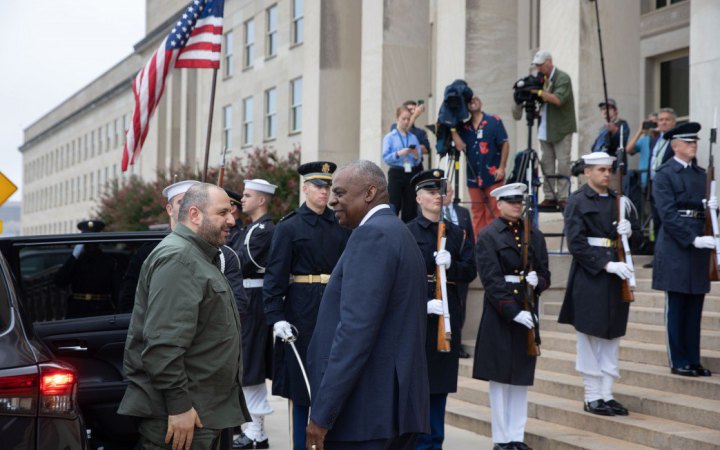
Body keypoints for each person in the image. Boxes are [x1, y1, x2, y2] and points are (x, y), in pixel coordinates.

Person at [306, 160, 430, 450]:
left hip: (365, 415)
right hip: (390, 411)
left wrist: (323, 414)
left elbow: (355, 332)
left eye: (339, 192)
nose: (332, 200)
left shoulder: (371, 235)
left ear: (369, 193)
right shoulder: (398, 232)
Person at [118, 183, 250, 450]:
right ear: (194, 214)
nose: (232, 220)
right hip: (184, 416)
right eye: (223, 212)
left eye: (232, 212)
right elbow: (162, 345)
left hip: (201, 411)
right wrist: (179, 406)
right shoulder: (180, 259)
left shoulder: (199, 256)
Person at [262, 161, 350, 450]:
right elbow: (274, 278)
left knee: (333, 380)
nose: (325, 193)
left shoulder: (339, 224)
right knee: (301, 389)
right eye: (319, 187)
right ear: (306, 188)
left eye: (329, 187)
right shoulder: (289, 227)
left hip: (334, 305)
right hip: (301, 310)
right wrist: (275, 317)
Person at [559, 152, 641, 417]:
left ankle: (607, 394)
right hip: (591, 275)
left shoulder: (620, 201)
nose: (607, 174)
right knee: (589, 337)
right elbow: (577, 244)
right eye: (601, 170)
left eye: (609, 170)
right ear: (587, 172)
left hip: (616, 276)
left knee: (612, 335)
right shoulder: (577, 201)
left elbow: (633, 241)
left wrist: (629, 232)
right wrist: (606, 265)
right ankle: (592, 396)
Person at [474, 183, 551, 450]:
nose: (517, 205)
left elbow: (545, 274)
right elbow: (492, 281)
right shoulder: (488, 236)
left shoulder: (535, 235)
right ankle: (502, 438)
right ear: (499, 204)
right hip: (501, 312)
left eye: (520, 201)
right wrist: (513, 312)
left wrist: (537, 281)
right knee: (500, 380)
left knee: (520, 378)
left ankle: (517, 436)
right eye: (511, 201)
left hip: (527, 309)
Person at [406, 169, 476, 449]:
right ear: (419, 198)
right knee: (417, 389)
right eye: (431, 192)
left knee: (440, 389)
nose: (437, 196)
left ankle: (435, 442)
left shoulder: (457, 233)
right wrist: (421, 303)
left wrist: (452, 265)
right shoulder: (407, 232)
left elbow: (470, 271)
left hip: (446, 319)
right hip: (417, 320)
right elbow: (399, 278)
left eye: (440, 191)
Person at [652, 122, 715, 378]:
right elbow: (667, 214)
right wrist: (693, 239)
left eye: (695, 142)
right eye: (688, 142)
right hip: (678, 245)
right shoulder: (665, 174)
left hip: (699, 242)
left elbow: (707, 213)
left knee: (695, 306)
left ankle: (693, 358)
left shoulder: (702, 175)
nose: (693, 146)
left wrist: (715, 209)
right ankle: (679, 359)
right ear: (675, 146)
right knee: (677, 306)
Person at [231, 179, 277, 450]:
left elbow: (243, 263)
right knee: (247, 367)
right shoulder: (250, 229)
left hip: (253, 299)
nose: (242, 200)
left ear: (261, 200)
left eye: (247, 196)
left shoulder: (264, 230)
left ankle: (255, 431)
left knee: (251, 367)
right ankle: (256, 433)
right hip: (245, 299)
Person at [450, 94, 510, 235]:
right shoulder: (464, 127)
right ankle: (479, 247)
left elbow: (505, 143)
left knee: (494, 212)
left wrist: (502, 167)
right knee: (477, 213)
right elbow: (460, 145)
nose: (473, 100)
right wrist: (452, 128)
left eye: (476, 98)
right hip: (473, 177)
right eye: (470, 100)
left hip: (493, 176)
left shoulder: (494, 121)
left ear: (481, 102)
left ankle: (495, 244)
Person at [531, 50, 577, 208]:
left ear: (549, 62)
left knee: (563, 163)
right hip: (545, 128)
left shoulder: (562, 78)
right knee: (547, 163)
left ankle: (563, 197)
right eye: (537, 65)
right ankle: (550, 196)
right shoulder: (542, 79)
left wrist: (538, 92)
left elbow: (558, 99)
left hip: (561, 129)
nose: (539, 68)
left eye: (541, 65)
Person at [55, 220, 117, 318]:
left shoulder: (108, 261)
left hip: (101, 309)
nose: (90, 244)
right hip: (78, 309)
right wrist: (73, 257)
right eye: (87, 240)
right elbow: (59, 281)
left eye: (93, 240)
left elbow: (116, 290)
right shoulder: (76, 260)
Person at [442, 183, 475, 358]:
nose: (444, 196)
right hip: (440, 267)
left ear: (452, 193)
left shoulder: (463, 213)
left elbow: (470, 238)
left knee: (461, 306)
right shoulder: (433, 212)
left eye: (447, 192)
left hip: (460, 267)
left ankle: (457, 342)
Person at [647, 107, 679, 263]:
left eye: (667, 119)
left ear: (674, 122)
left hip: (670, 188)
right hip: (654, 185)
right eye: (661, 119)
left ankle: (666, 256)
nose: (664, 122)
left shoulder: (677, 141)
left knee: (667, 221)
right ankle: (657, 256)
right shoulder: (654, 140)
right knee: (656, 221)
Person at [383, 105, 424, 222]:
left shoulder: (413, 138)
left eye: (408, 119)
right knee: (393, 204)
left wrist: (416, 155)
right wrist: (399, 153)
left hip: (411, 172)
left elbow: (418, 159)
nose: (406, 122)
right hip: (396, 172)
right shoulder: (390, 137)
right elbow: (385, 157)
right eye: (403, 119)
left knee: (410, 206)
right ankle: (391, 230)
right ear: (397, 119)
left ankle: (409, 233)